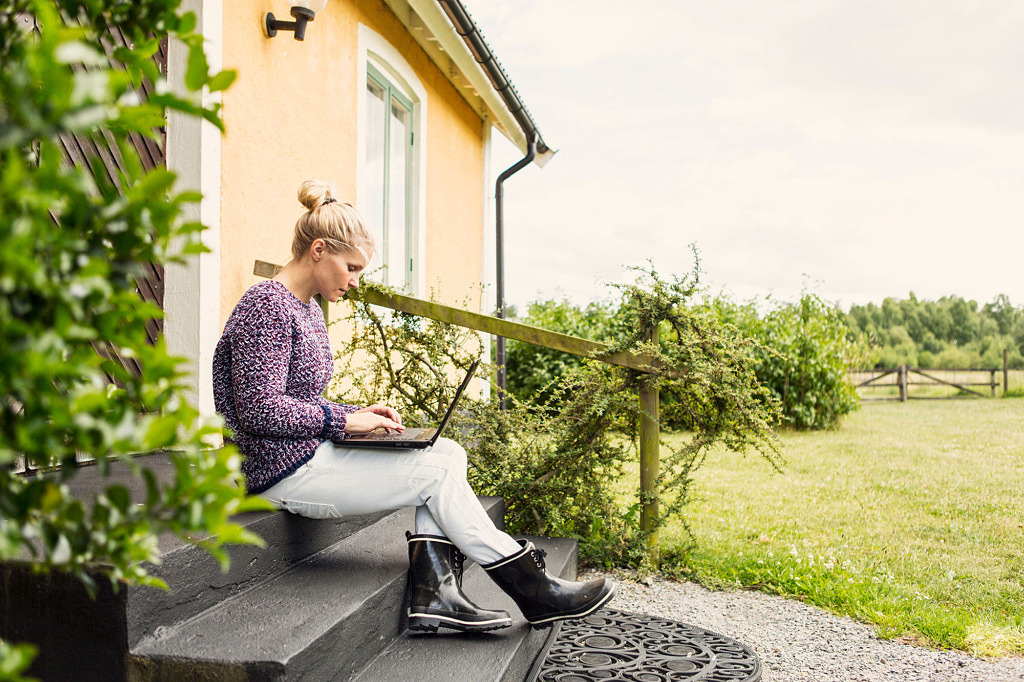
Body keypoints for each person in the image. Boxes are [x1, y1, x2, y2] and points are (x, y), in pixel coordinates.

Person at [212, 180, 615, 633]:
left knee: (448, 454)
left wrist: (359, 415)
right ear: (319, 250)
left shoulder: (303, 307)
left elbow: (299, 400)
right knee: (436, 473)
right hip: (274, 471)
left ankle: (436, 593)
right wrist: (343, 419)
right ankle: (533, 590)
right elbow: (258, 411)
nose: (355, 281)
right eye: (352, 267)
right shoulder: (265, 307)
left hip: (305, 453)